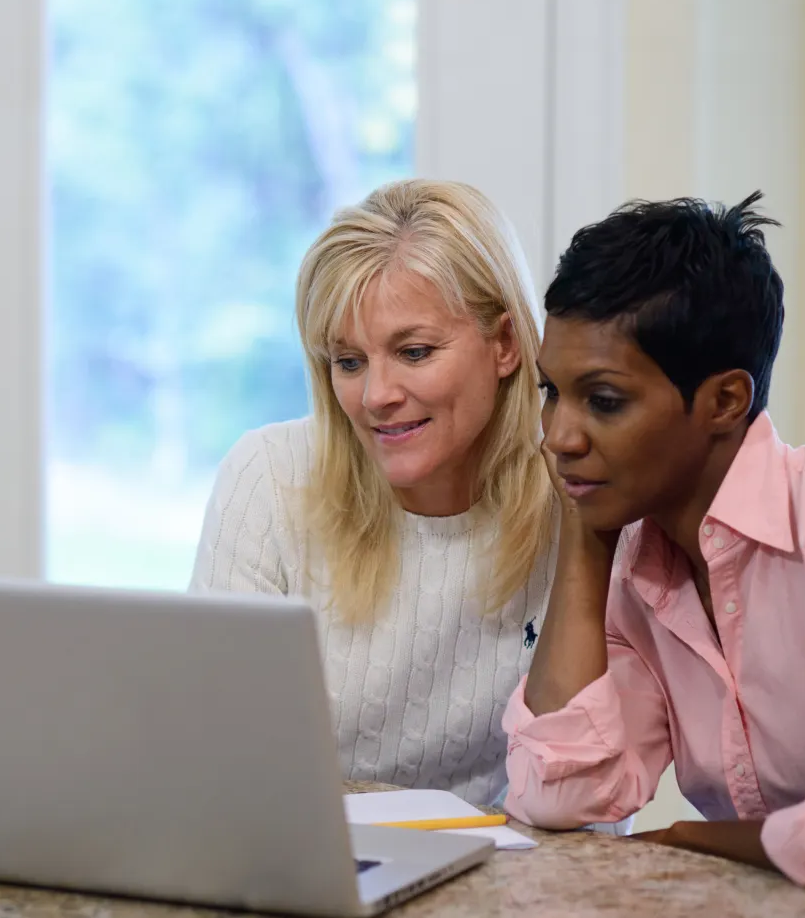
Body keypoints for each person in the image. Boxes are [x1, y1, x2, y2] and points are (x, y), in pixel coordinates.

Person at [504, 192, 805, 893]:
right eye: (551, 392)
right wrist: (586, 540)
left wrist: (691, 838)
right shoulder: (634, 566)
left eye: (604, 400)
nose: (557, 437)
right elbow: (556, 797)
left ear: (725, 402)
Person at [190, 179, 557, 805]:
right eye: (349, 362)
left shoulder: (574, 502)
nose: (375, 396)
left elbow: (583, 803)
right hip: (304, 856)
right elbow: (213, 751)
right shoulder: (269, 477)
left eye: (414, 352)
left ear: (505, 344)